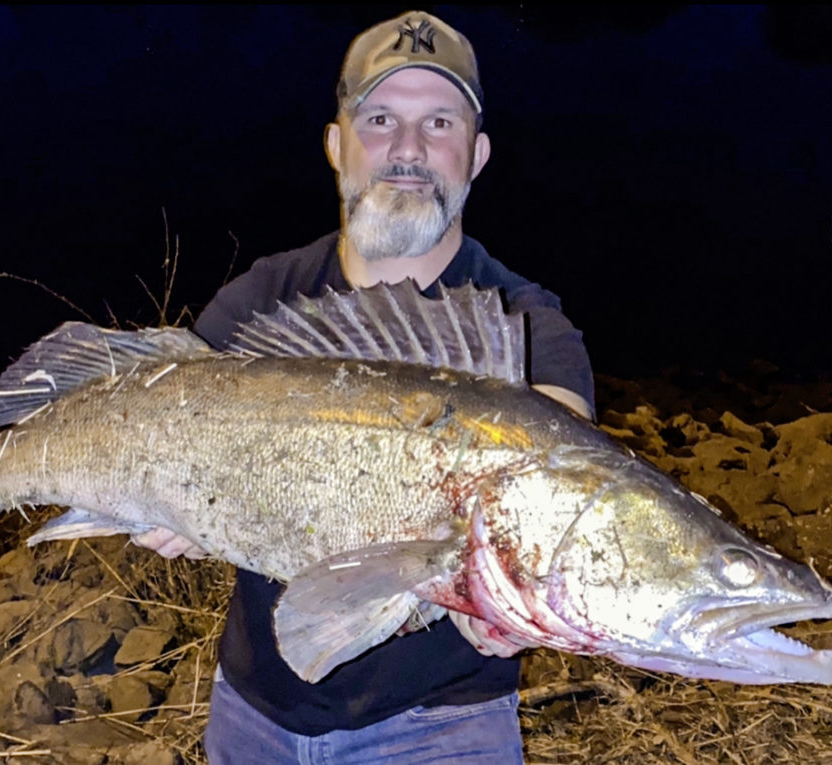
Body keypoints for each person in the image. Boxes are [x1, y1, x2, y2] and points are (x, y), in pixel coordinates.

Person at [136, 10, 594, 763]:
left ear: (475, 156)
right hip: (253, 714)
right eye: (379, 118)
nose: (408, 150)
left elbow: (559, 470)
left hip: (445, 727)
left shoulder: (523, 324)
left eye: (438, 122)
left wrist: (519, 590)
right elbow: (157, 414)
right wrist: (157, 496)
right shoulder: (263, 300)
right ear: (335, 144)